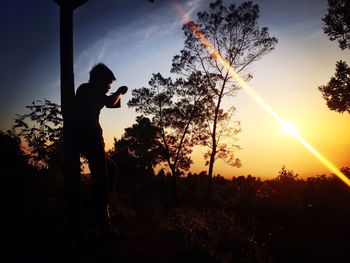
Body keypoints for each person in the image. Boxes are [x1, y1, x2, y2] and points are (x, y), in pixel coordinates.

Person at [75, 63, 128, 239]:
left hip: (91, 141)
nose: (108, 87)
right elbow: (110, 101)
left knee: (108, 174)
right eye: (108, 83)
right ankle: (102, 227)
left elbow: (112, 104)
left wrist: (116, 94)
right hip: (91, 141)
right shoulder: (87, 89)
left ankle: (95, 217)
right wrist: (119, 91)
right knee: (102, 182)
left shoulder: (89, 92)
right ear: (99, 79)